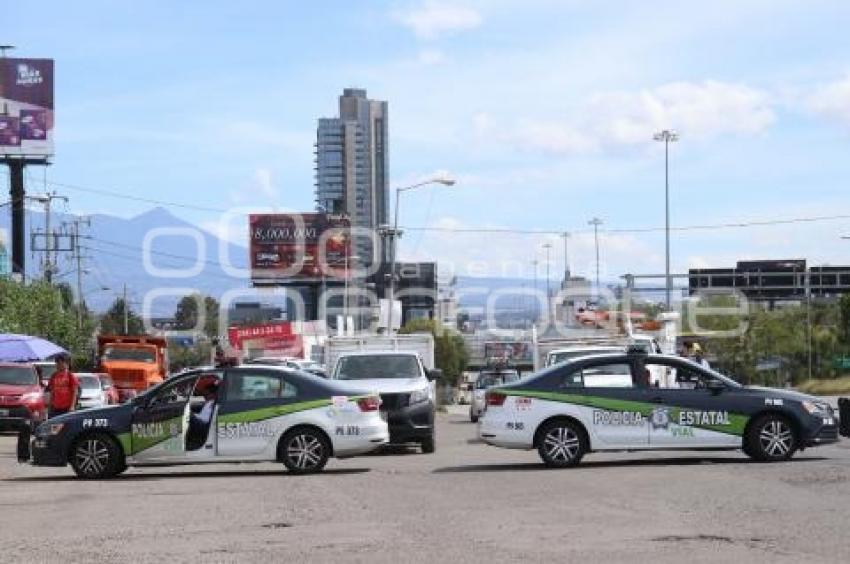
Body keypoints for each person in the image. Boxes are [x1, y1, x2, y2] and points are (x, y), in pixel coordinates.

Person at [45, 354, 79, 418]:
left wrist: (72, 406)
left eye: (61, 362)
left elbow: (75, 392)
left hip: (66, 407)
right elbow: (52, 392)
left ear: (66, 363)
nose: (58, 364)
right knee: (53, 425)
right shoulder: (54, 376)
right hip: (55, 407)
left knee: (65, 426)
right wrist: (50, 406)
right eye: (57, 363)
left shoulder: (70, 376)